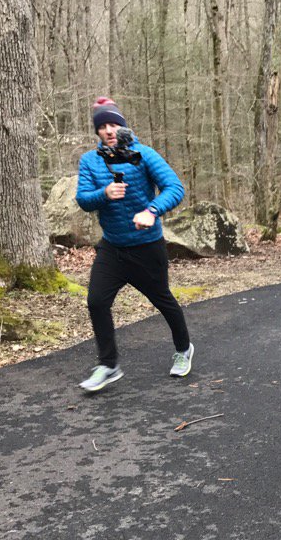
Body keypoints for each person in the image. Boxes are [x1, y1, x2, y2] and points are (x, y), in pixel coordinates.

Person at [76, 97, 193, 392]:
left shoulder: (144, 154)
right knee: (96, 301)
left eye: (114, 124)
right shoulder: (90, 161)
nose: (109, 130)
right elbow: (83, 199)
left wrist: (151, 211)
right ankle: (108, 365)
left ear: (123, 127)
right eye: (102, 126)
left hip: (146, 248)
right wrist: (104, 193)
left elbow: (175, 188)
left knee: (162, 300)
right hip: (112, 248)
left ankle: (183, 349)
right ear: (98, 132)